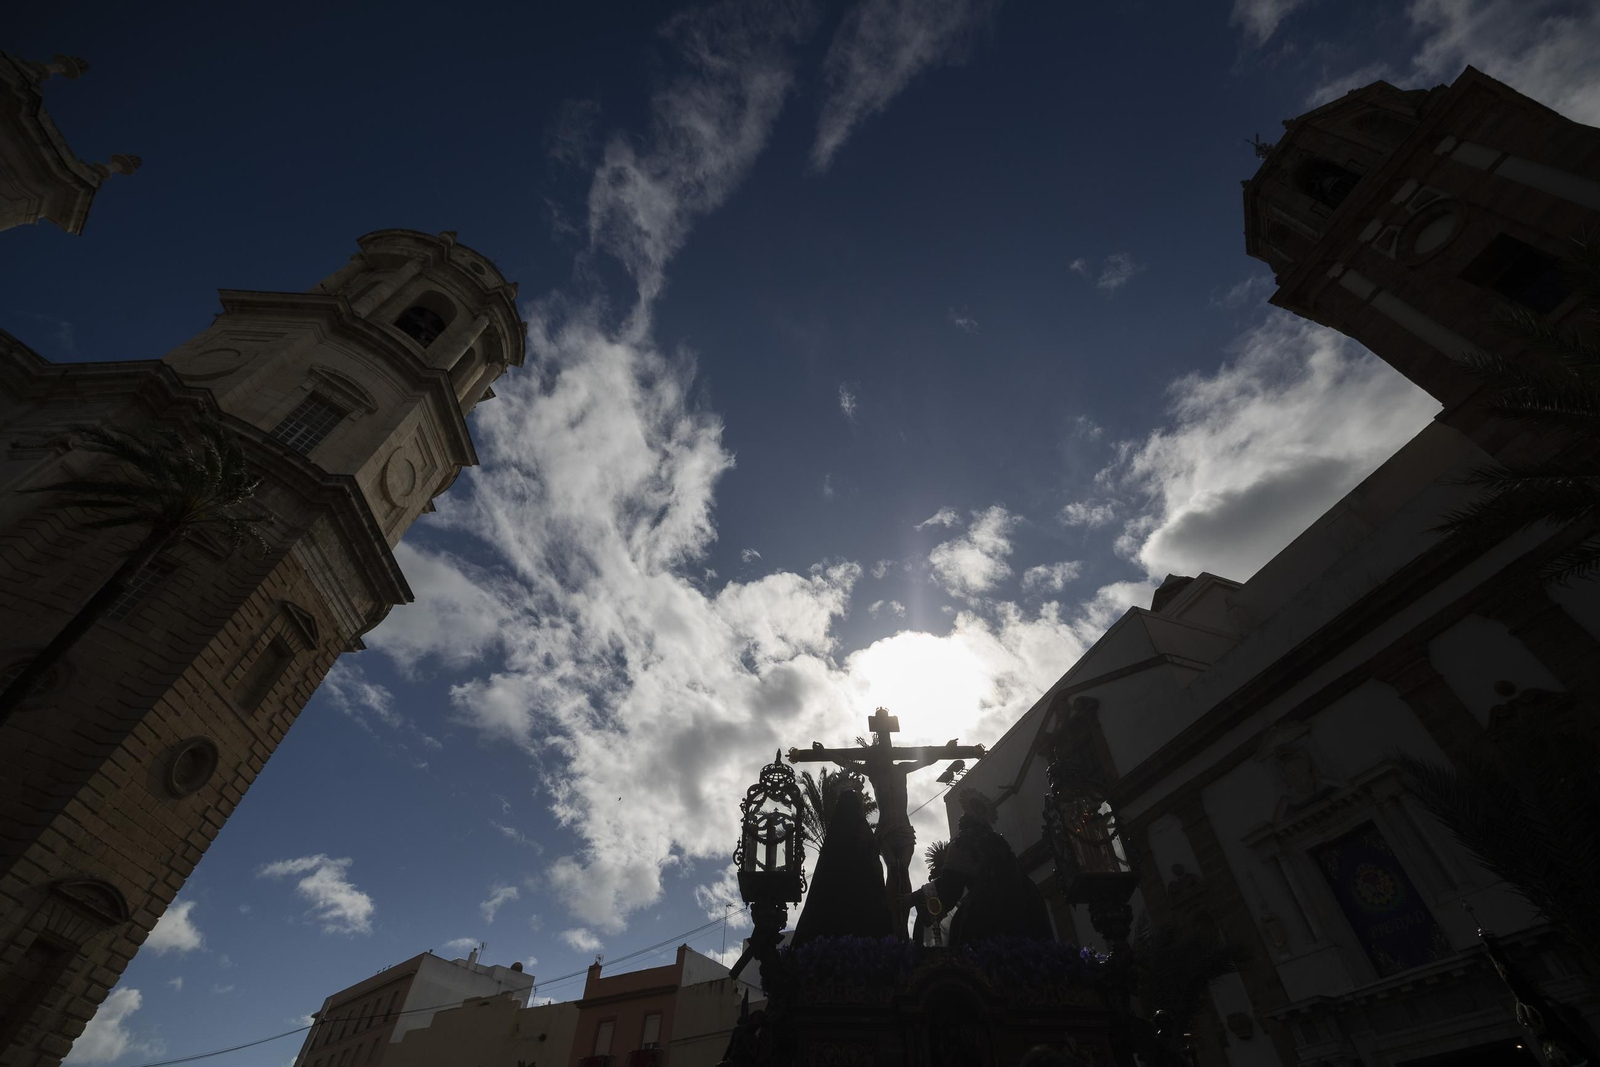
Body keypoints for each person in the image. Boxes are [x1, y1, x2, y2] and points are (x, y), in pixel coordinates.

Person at [905, 790, 1052, 946]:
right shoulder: (999, 841)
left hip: (985, 913)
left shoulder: (962, 844)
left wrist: (915, 898)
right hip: (1025, 909)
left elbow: (950, 888)